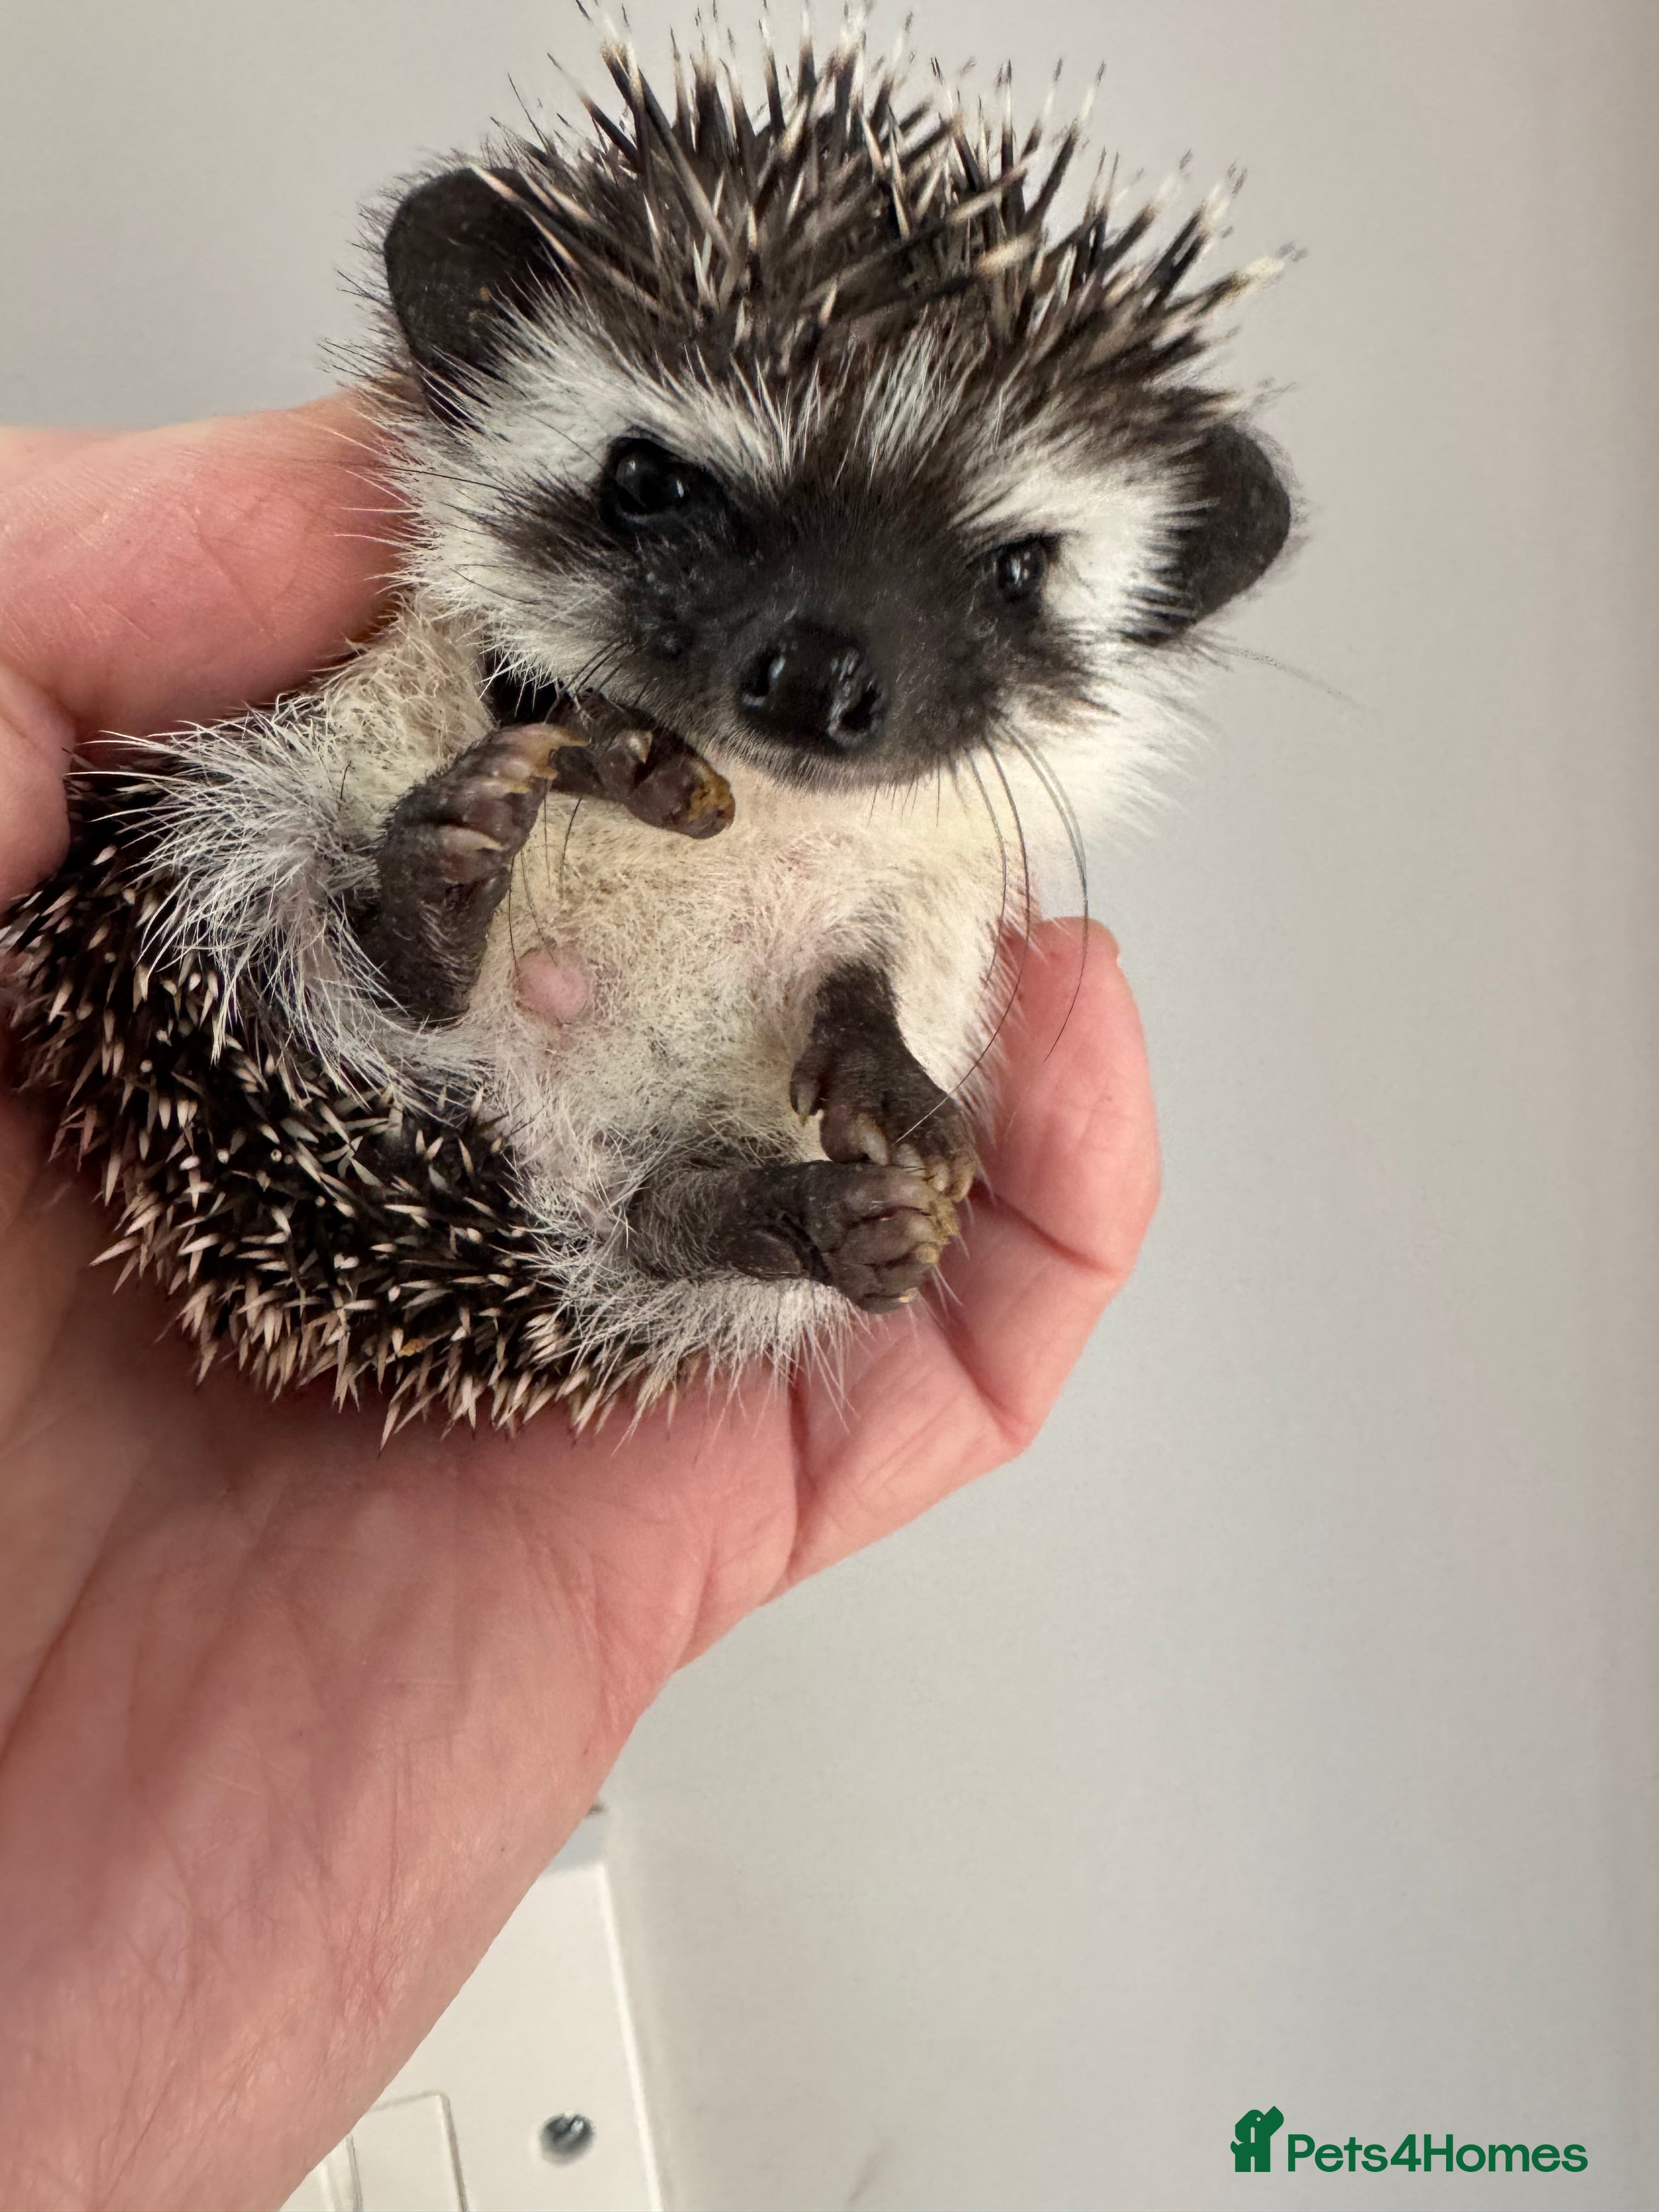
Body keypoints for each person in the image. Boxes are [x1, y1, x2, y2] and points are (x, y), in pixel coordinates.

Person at [0, 396, 1159, 2210]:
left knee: (714, 1196)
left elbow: (844, 983)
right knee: (303, 875)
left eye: (1002, 569)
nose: (832, 665)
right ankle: (432, 915)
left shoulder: (939, 829)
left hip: (580, 1155)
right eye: (666, 489)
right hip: (358, 998)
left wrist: (875, 1063)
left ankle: (693, 1149)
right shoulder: (478, 600)